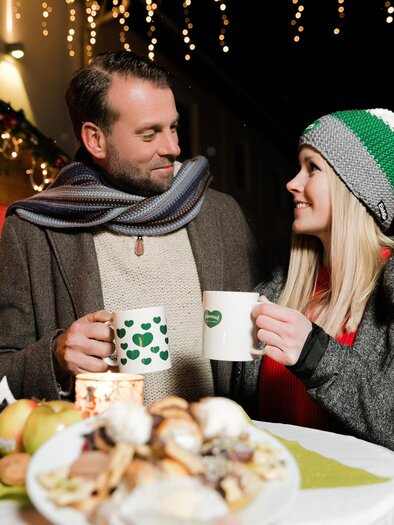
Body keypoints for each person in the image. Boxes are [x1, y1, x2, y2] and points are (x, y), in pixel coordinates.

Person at [0, 50, 263, 405]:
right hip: (103, 454)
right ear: (95, 140)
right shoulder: (33, 231)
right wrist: (55, 357)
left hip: (211, 447)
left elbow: (257, 363)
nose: (173, 147)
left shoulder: (221, 215)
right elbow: (4, 368)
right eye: (149, 133)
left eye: (173, 127)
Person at [232, 108, 394, 450]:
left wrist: (313, 354)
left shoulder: (388, 296)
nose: (292, 183)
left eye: (312, 169)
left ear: (356, 189)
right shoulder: (276, 290)